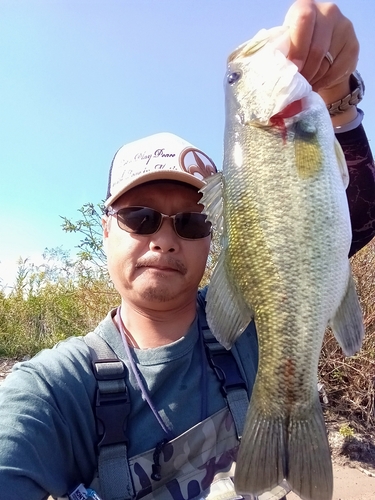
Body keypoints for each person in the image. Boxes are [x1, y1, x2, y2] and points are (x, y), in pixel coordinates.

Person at [0, 1, 374, 499]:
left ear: (217, 234)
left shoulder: (251, 329)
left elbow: (345, 223)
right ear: (106, 229)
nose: (164, 237)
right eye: (140, 217)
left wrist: (336, 99)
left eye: (192, 220)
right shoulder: (54, 390)